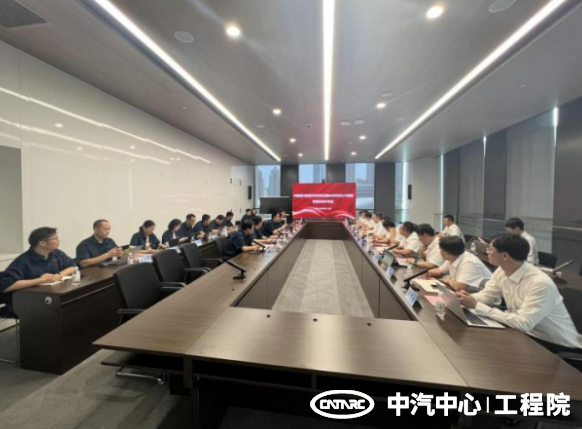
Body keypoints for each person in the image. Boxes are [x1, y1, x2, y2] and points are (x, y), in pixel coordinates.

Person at [457, 233, 582, 353]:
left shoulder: (540, 283)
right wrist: (464, 298)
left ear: (505, 256)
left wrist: (477, 305)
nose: (487, 252)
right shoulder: (502, 271)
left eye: (490, 249)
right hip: (523, 334)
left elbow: (523, 323)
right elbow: (486, 297)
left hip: (553, 345)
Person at [1, 228, 76, 300]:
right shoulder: (23, 260)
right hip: (28, 301)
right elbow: (6, 286)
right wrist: (42, 280)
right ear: (42, 243)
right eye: (55, 238)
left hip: (53, 295)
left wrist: (59, 275)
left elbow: (73, 266)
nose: (58, 241)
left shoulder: (56, 253)